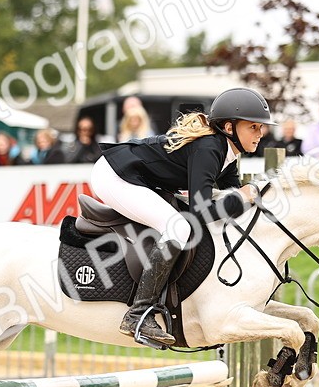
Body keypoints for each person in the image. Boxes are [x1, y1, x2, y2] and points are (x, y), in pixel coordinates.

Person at [89, 87, 273, 346]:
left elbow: (233, 201)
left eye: (261, 127)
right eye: (253, 127)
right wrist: (242, 196)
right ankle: (138, 313)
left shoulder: (227, 154)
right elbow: (202, 210)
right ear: (230, 127)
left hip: (135, 176)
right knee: (178, 227)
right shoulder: (209, 148)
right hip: (115, 175)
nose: (261, 133)